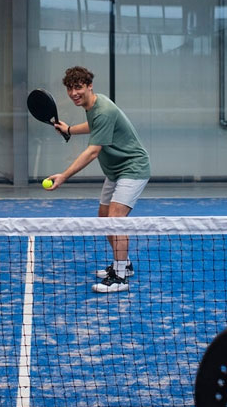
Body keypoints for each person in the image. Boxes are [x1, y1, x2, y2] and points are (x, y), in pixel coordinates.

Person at [43, 66, 151, 294]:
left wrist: (64, 175)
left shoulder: (102, 109)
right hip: (115, 171)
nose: (74, 93)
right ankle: (126, 264)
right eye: (70, 88)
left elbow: (93, 152)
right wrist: (70, 129)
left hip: (132, 168)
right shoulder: (94, 106)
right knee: (104, 219)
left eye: (78, 87)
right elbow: (95, 127)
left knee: (115, 219)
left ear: (89, 86)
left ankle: (120, 278)